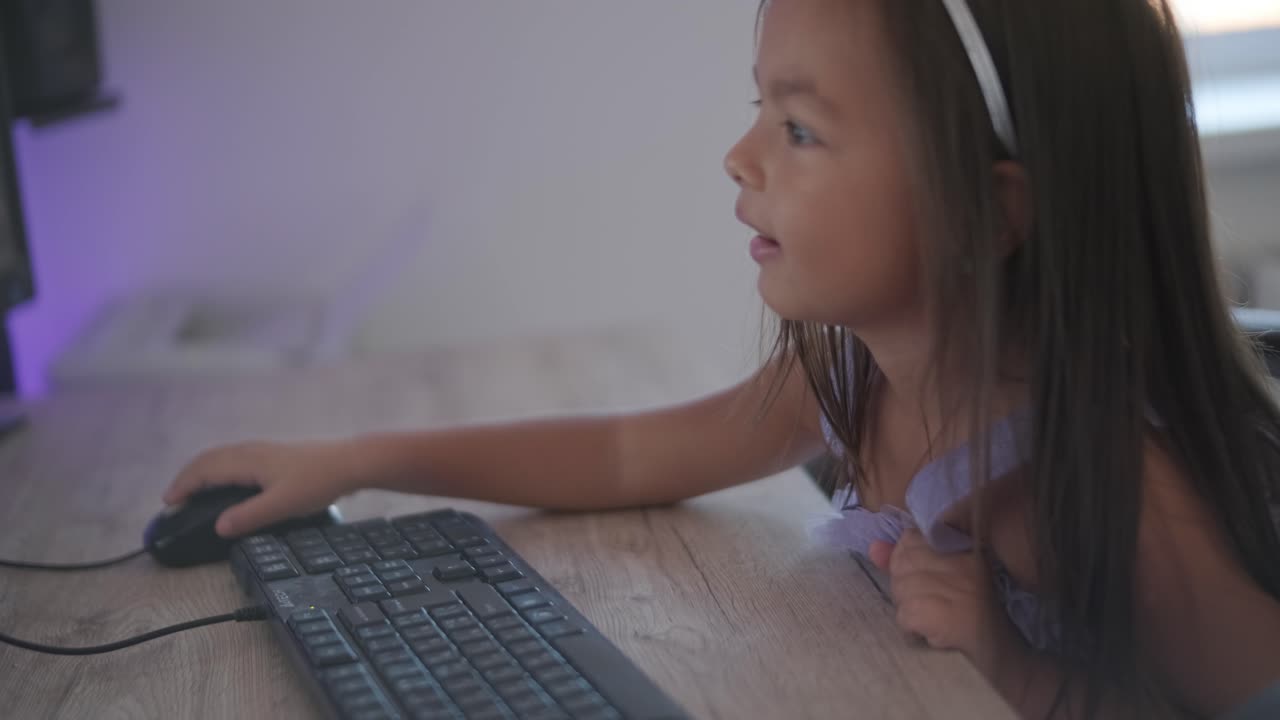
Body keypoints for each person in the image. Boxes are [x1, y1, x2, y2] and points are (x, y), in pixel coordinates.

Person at [163, 0, 1280, 716]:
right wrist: (354, 462)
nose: (736, 156)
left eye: (797, 130)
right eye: (761, 111)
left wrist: (1022, 671)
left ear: (983, 215)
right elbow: (623, 452)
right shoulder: (850, 380)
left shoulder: (1110, 491)